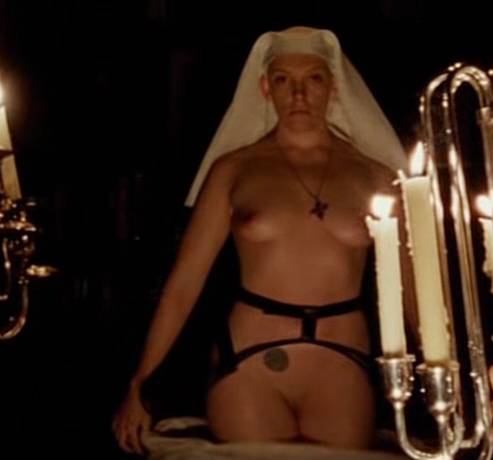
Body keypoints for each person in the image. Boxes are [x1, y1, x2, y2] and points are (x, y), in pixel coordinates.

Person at [112, 26, 406, 455]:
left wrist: (447, 375)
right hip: (249, 362)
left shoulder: (375, 175)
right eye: (284, 80)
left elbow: (412, 288)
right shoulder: (234, 169)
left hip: (341, 362)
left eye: (313, 79)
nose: (299, 94)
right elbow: (184, 283)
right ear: (266, 88)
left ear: (333, 88)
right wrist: (140, 382)